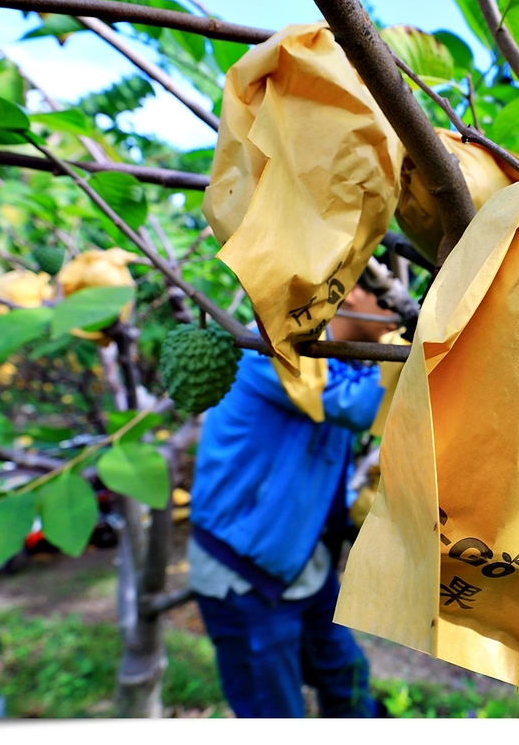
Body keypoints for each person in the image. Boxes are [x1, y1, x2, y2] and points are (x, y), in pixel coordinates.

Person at [187, 285, 398, 718]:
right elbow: (356, 405)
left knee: (348, 682)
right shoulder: (272, 348)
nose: (398, 310)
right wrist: (418, 344)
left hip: (305, 566)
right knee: (276, 712)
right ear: (354, 290)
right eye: (388, 297)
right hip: (243, 575)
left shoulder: (340, 363)